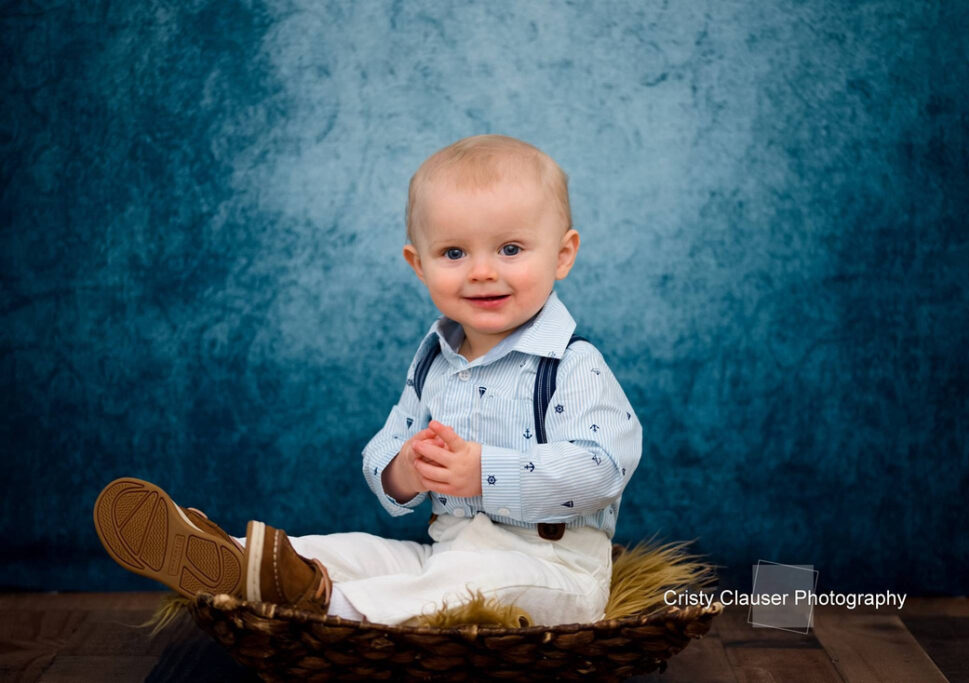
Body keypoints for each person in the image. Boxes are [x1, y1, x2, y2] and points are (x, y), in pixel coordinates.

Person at [94, 134, 642, 626]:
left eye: (510, 249)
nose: (481, 271)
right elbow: (382, 448)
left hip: (551, 568)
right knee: (353, 552)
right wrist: (406, 468)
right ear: (418, 263)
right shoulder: (434, 361)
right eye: (453, 252)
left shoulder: (570, 365)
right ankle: (236, 558)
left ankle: (330, 610)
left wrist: (483, 471)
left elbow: (603, 468)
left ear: (563, 255)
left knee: (473, 588)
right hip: (447, 550)